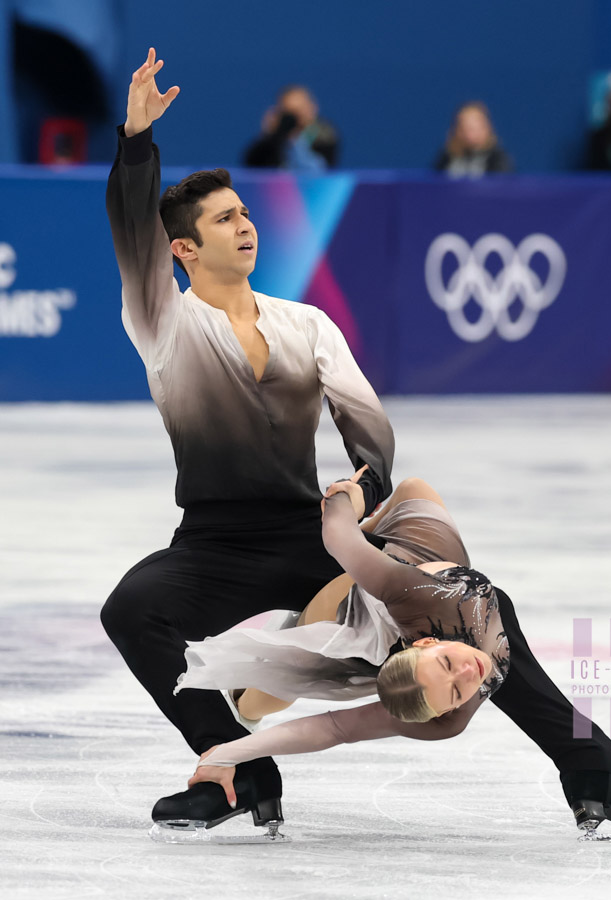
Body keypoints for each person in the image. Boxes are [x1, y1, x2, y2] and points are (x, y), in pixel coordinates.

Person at [101, 49, 395, 834]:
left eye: (246, 213)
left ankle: (591, 767)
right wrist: (136, 139)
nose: (245, 224)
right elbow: (133, 229)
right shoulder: (162, 322)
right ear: (184, 251)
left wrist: (362, 490)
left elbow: (369, 430)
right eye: (225, 219)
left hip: (310, 540)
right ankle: (235, 765)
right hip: (214, 545)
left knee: (469, 610)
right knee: (131, 609)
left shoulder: (306, 323)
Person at [172, 478, 611, 842]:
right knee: (267, 693)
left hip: (382, 579)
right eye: (457, 689)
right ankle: (595, 774)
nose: (469, 673)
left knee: (416, 489)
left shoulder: (412, 592)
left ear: (426, 645)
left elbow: (337, 538)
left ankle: (592, 772)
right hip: (373, 613)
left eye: (448, 667)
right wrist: (231, 749)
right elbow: (333, 729)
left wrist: (347, 499)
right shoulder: (448, 717)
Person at [243, 85, 339, 171]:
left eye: (299, 110)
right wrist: (268, 136)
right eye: (289, 112)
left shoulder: (324, 134)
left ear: (312, 107)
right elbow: (252, 165)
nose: (296, 118)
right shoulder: (276, 137)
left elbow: (319, 170)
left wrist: (294, 140)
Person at [434, 102, 513, 177]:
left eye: (474, 128)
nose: (469, 133)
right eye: (464, 128)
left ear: (486, 128)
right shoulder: (446, 158)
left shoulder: (498, 159)